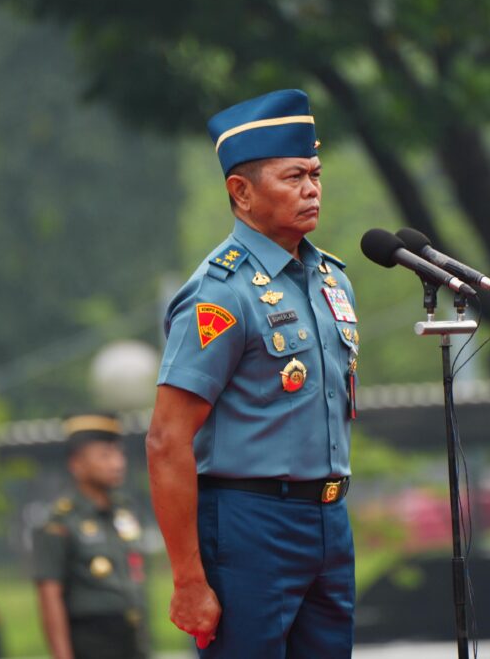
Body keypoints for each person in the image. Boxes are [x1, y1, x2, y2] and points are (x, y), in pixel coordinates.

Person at [146, 88, 360, 658]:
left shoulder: (332, 282)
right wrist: (189, 579)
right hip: (249, 524)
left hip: (330, 519)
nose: (311, 189)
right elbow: (167, 441)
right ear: (241, 193)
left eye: (315, 174)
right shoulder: (221, 295)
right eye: (293, 177)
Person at [32, 412, 148, 659]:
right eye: (105, 455)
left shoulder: (123, 511)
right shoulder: (60, 522)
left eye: (119, 454)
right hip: (91, 641)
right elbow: (49, 596)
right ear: (77, 464)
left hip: (132, 637)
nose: (117, 464)